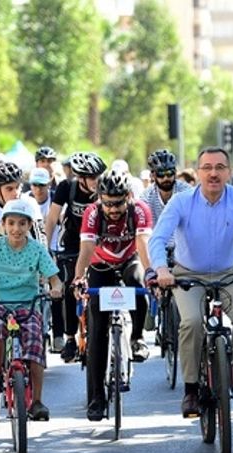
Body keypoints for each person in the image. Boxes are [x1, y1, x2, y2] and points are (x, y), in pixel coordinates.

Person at [149, 147, 233, 417]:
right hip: (188, 276)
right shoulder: (181, 202)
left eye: (219, 167)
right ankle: (191, 389)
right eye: (207, 168)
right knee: (191, 322)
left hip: (230, 274)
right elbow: (157, 238)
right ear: (198, 173)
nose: (213, 173)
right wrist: (161, 269)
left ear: (229, 172)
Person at [0, 199, 61, 421]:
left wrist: (55, 288)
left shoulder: (37, 249)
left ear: (29, 226)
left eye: (22, 223)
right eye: (11, 223)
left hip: (29, 306)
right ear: (3, 225)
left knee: (36, 345)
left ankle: (37, 401)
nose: (16, 229)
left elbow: (55, 279)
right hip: (0, 305)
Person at [73, 169, 153, 420]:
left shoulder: (139, 210)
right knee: (97, 332)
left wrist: (152, 273)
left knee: (138, 280)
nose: (113, 209)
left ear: (128, 196)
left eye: (118, 203)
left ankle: (137, 337)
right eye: (107, 203)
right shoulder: (92, 212)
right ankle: (97, 398)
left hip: (129, 259)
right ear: (100, 199)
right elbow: (86, 248)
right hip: (100, 265)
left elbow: (143, 244)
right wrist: (78, 277)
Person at [44, 152, 106, 361]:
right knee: (71, 286)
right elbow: (52, 219)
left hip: (98, 242)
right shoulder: (66, 188)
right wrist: (46, 249)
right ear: (81, 178)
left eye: (99, 176)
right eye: (92, 178)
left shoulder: (104, 189)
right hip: (72, 243)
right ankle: (70, 337)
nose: (97, 182)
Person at [26, 167, 63, 351]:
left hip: (55, 249)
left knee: (56, 289)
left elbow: (61, 220)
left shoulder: (56, 200)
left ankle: (58, 335)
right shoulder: (24, 200)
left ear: (49, 184)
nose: (38, 189)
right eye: (35, 185)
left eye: (42, 185)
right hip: (29, 251)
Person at [139, 149, 192, 224]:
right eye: (161, 174)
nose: (166, 178)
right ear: (153, 176)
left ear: (175, 173)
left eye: (170, 173)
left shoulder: (187, 192)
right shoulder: (146, 198)